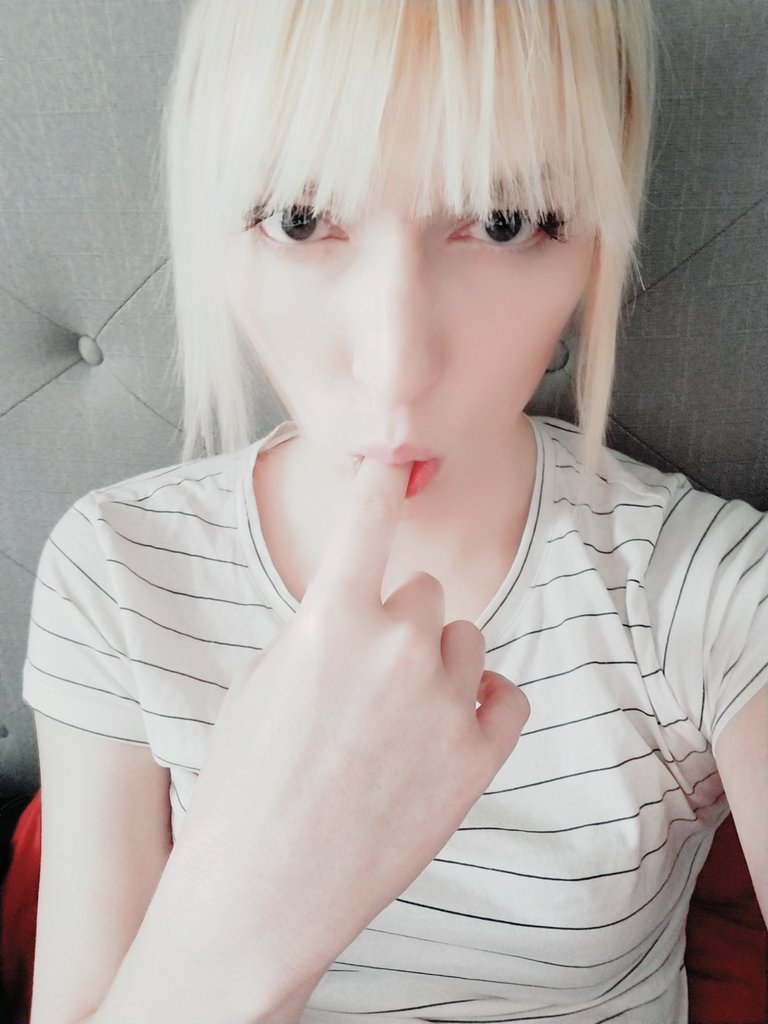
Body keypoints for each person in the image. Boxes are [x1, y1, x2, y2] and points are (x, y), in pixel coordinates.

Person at [22, 2, 767, 1022]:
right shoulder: (118, 571)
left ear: (596, 239)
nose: (396, 363)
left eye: (502, 222)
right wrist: (251, 901)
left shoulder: (709, 593)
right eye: (300, 219)